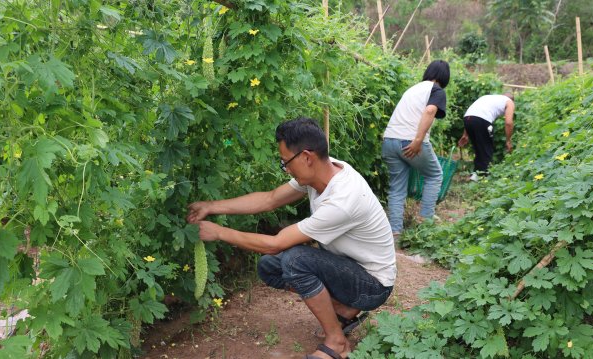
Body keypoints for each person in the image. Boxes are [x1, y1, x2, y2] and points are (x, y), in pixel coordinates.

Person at [187, 118, 396, 359]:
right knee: (269, 267)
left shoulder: (343, 199)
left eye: (285, 162)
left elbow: (276, 244)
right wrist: (210, 206)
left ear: (307, 157)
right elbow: (269, 199)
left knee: (295, 260)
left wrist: (219, 232)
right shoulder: (322, 173)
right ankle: (342, 309)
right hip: (348, 267)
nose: (285, 168)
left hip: (372, 285)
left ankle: (337, 342)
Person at [381, 60, 450, 235]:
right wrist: (418, 140)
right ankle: (425, 224)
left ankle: (395, 231)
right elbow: (429, 111)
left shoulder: (413, 89)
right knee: (434, 174)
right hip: (410, 141)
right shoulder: (437, 90)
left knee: (397, 187)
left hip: (389, 140)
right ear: (445, 77)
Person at [457, 93, 515, 181]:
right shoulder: (509, 102)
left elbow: (474, 114)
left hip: (467, 119)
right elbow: (509, 122)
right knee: (487, 148)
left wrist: (465, 134)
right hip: (482, 120)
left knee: (478, 148)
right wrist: (508, 141)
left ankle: (476, 174)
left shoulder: (489, 97)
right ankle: (482, 176)